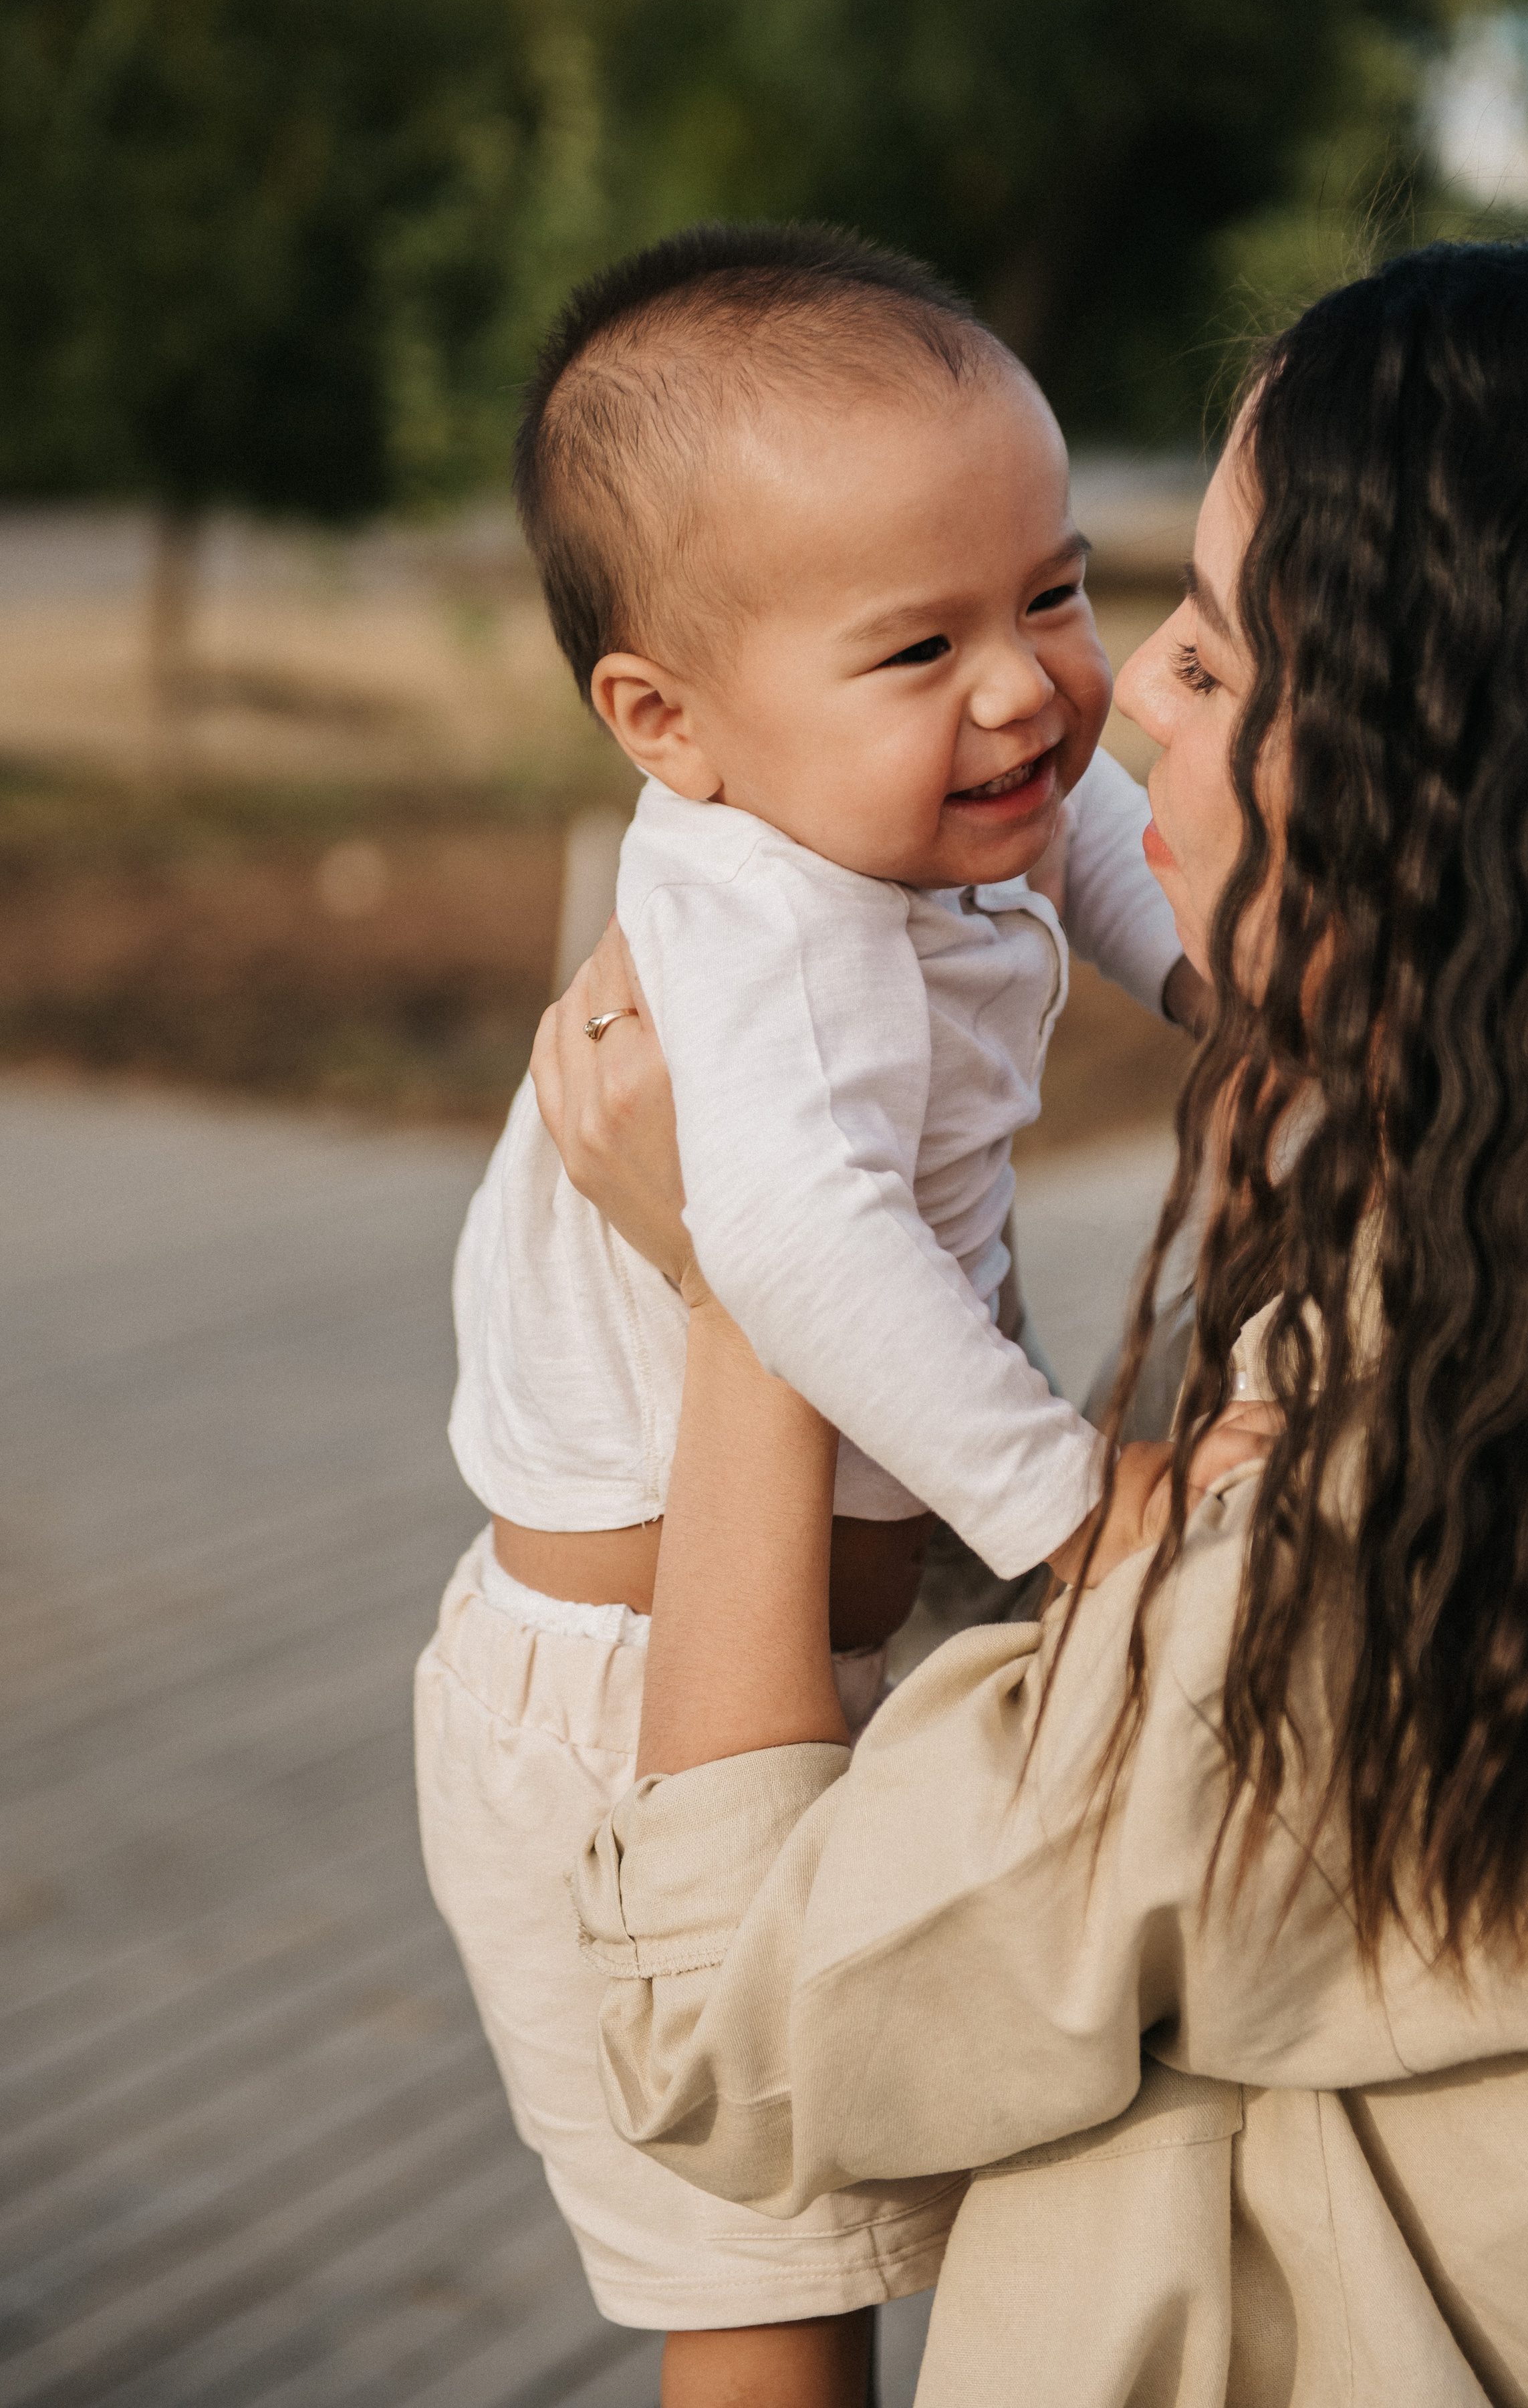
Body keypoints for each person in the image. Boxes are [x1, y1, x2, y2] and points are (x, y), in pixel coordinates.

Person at [539, 225, 1528, 2405]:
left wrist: (730, 1291)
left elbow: (722, 2030)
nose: (1104, 703)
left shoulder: (1347, 1582)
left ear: (1469, 802)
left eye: (1208, 649)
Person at [416, 222, 1202, 2407]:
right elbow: (795, 1242)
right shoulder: (749, 915)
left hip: (854, 1638)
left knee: (943, 2184)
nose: (1030, 685)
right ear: (673, 727)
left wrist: (1247, 1008)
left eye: (1054, 588)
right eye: (922, 642)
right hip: (622, 1724)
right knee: (772, 2287)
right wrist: (1072, 1509)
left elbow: (1113, 852)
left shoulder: (933, 781)